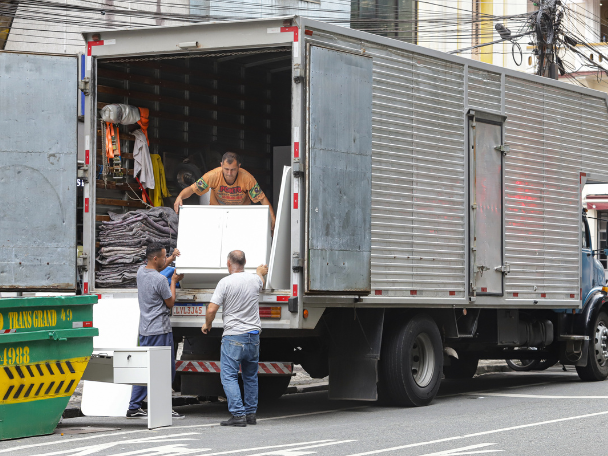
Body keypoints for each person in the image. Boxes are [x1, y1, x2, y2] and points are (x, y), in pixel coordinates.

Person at [201, 250, 268, 427]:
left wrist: (207, 324)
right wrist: (260, 273)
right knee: (250, 376)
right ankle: (251, 414)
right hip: (253, 336)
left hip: (233, 336)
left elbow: (211, 309)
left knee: (229, 376)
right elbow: (261, 281)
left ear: (229, 264)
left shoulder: (225, 282)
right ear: (245, 262)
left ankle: (238, 415)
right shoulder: (254, 280)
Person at [126, 243, 185, 420]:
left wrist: (171, 259)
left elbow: (159, 267)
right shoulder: (160, 280)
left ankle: (134, 407)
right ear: (155, 258)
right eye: (164, 255)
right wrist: (173, 282)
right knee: (165, 370)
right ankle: (164, 407)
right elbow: (170, 302)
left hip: (145, 330)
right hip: (160, 331)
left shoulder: (141, 272)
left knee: (144, 369)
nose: (165, 258)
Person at [172, 152, 276, 232]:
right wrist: (179, 197)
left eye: (233, 170)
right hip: (217, 213)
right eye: (226, 169)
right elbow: (191, 189)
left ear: (239, 166)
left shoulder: (247, 178)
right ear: (221, 165)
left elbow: (262, 199)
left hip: (241, 214)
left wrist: (273, 219)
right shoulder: (212, 176)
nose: (229, 173)